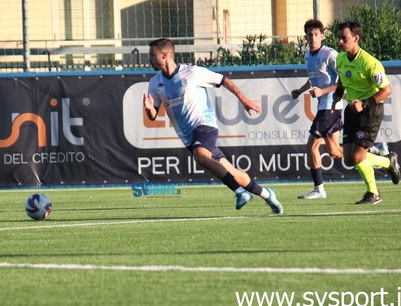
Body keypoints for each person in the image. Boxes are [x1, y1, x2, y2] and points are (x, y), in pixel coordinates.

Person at [143, 38, 283, 214]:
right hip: (188, 137)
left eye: (152, 55)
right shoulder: (155, 83)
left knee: (200, 156)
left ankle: (239, 192)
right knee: (232, 171)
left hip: (205, 125)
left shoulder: (192, 72)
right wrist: (149, 109)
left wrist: (245, 101)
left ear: (164, 55)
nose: (149, 59)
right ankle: (268, 194)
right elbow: (153, 115)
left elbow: (224, 80)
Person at [332, 21, 400, 205]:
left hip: (370, 111)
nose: (340, 41)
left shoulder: (370, 63)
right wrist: (337, 97)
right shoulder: (340, 58)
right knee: (347, 157)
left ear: (356, 38)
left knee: (357, 156)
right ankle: (388, 162)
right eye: (339, 38)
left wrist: (364, 103)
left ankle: (373, 193)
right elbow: (341, 80)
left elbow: (386, 90)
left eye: (344, 38)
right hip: (352, 110)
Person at [291, 19, 344, 199]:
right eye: (310, 34)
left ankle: (319, 189)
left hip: (330, 106)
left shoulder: (330, 54)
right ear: (305, 36)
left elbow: (343, 80)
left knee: (312, 146)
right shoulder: (307, 55)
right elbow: (313, 78)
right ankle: (377, 153)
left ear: (322, 36)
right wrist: (300, 90)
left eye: (316, 34)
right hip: (325, 107)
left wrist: (324, 91)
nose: (313, 37)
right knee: (335, 152)